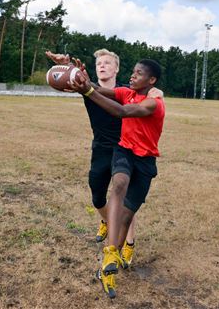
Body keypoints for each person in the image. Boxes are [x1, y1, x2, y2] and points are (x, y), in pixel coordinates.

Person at [45, 50, 162, 270]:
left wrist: (155, 94)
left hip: (125, 149)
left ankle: (128, 243)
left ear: (117, 68)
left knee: (124, 196)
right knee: (98, 197)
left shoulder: (129, 92)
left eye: (108, 62)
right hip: (100, 148)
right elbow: (79, 82)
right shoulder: (88, 87)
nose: (103, 65)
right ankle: (107, 221)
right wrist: (68, 65)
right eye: (99, 62)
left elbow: (138, 104)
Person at [70, 58, 165, 299]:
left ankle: (109, 265)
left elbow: (122, 112)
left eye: (138, 73)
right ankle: (111, 253)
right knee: (119, 185)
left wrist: (88, 90)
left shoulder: (154, 103)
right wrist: (80, 78)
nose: (132, 76)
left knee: (126, 216)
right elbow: (101, 90)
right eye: (133, 72)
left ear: (151, 80)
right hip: (124, 151)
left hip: (145, 161)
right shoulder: (125, 92)